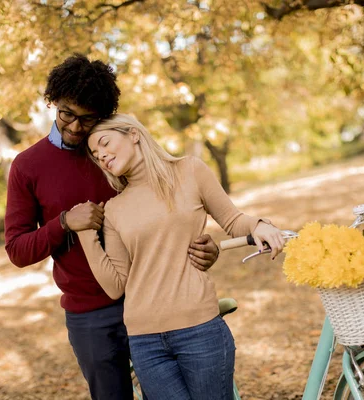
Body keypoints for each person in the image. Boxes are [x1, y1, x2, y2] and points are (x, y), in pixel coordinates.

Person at [4, 55, 220, 400]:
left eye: (87, 119)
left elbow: (169, 211)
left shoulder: (117, 152)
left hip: (154, 304)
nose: (75, 127)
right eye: (66, 114)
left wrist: (209, 248)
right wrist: (63, 223)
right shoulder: (27, 166)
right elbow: (17, 249)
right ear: (52, 103)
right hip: (90, 316)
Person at [76, 113, 286, 400]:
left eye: (104, 142)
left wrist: (259, 225)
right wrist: (85, 233)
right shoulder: (114, 209)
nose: (101, 155)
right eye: (95, 154)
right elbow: (115, 285)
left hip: (199, 331)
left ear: (133, 134)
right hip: (144, 341)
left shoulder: (189, 171)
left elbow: (233, 219)